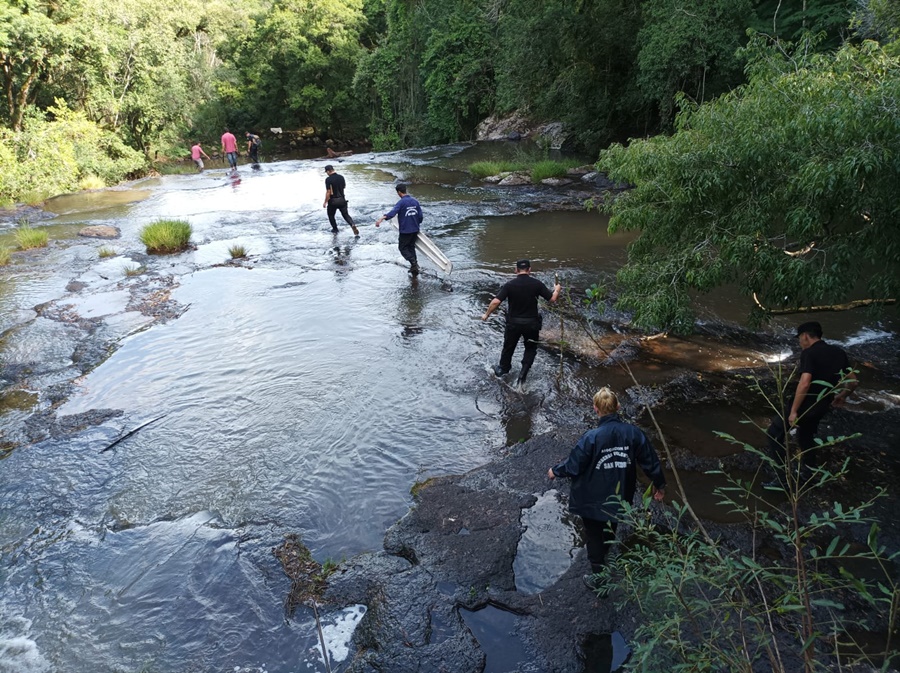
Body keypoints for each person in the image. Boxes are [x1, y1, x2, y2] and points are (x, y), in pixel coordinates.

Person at [548, 387, 666, 591]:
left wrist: (555, 471)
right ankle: (605, 555)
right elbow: (650, 461)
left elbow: (575, 464)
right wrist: (659, 485)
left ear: (595, 409)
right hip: (620, 495)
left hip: (592, 498)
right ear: (618, 407)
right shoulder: (633, 433)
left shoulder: (591, 437)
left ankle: (599, 580)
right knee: (611, 526)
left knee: (594, 535)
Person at [765, 321, 857, 478]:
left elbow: (805, 383)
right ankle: (809, 473)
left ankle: (781, 478)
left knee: (774, 434)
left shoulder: (809, 353)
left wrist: (793, 411)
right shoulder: (838, 352)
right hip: (822, 405)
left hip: (805, 405)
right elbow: (853, 381)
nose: (800, 342)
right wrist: (841, 396)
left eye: (800, 338)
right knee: (806, 436)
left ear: (805, 336)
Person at [481, 259, 561, 385]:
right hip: (531, 324)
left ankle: (503, 370)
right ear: (529, 270)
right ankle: (522, 376)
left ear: (516, 270)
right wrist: (556, 289)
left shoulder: (509, 285)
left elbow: (496, 302)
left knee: (508, 347)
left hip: (513, 323)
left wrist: (486, 314)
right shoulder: (537, 284)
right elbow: (552, 299)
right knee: (530, 348)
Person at [375, 183, 423, 275]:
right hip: (415, 229)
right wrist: (416, 224)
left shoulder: (401, 203)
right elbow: (420, 216)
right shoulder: (415, 201)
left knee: (402, 248)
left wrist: (381, 218)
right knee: (411, 247)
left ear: (399, 192)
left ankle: (414, 263)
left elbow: (393, 213)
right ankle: (414, 268)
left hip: (406, 230)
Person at [323, 165, 359, 236]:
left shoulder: (328, 179)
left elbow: (328, 192)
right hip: (342, 200)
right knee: (346, 215)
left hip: (333, 201)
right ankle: (352, 224)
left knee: (331, 215)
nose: (327, 173)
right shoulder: (341, 177)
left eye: (326, 172)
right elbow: (344, 187)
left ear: (328, 171)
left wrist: (325, 202)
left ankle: (335, 229)